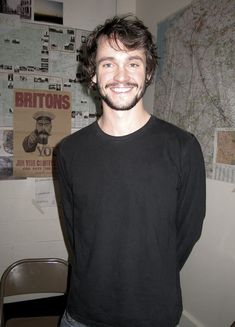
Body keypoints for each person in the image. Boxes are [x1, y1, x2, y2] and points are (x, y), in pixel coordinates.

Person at [56, 15, 206, 327]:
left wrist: (151, 274)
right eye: (108, 63)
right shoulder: (68, 151)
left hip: (153, 314)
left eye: (133, 63)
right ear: (93, 74)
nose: (121, 75)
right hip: (84, 315)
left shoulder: (183, 147)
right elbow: (76, 234)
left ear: (148, 71)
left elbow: (187, 232)